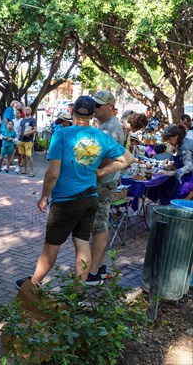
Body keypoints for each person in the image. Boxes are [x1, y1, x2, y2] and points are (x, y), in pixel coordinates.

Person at [16, 96, 135, 289]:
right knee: (81, 243)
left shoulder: (62, 135)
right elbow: (128, 159)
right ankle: (77, 294)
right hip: (90, 199)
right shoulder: (101, 136)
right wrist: (102, 172)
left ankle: (33, 283)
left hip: (66, 201)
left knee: (51, 245)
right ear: (92, 114)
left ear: (73, 112)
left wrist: (45, 196)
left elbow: (52, 174)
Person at [89, 90, 125, 285]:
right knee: (99, 224)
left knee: (99, 224)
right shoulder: (104, 124)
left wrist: (96, 177)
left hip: (103, 182)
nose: (95, 108)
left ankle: (93, 272)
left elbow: (108, 158)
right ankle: (98, 267)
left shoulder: (110, 127)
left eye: (98, 105)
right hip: (104, 181)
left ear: (110, 106)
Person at [161, 125, 193, 200]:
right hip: (187, 176)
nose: (168, 142)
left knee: (180, 196)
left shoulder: (185, 147)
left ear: (176, 136)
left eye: (169, 139)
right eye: (167, 140)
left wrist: (172, 172)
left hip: (190, 178)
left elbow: (189, 167)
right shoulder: (183, 142)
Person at [16, 106, 37, 177]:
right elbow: (20, 129)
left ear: (31, 111)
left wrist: (28, 133)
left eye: (28, 109)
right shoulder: (23, 120)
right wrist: (18, 138)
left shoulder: (33, 120)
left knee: (29, 155)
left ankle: (32, 171)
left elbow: (35, 130)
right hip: (21, 140)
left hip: (28, 141)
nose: (26, 111)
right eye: (25, 110)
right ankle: (24, 170)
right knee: (23, 156)